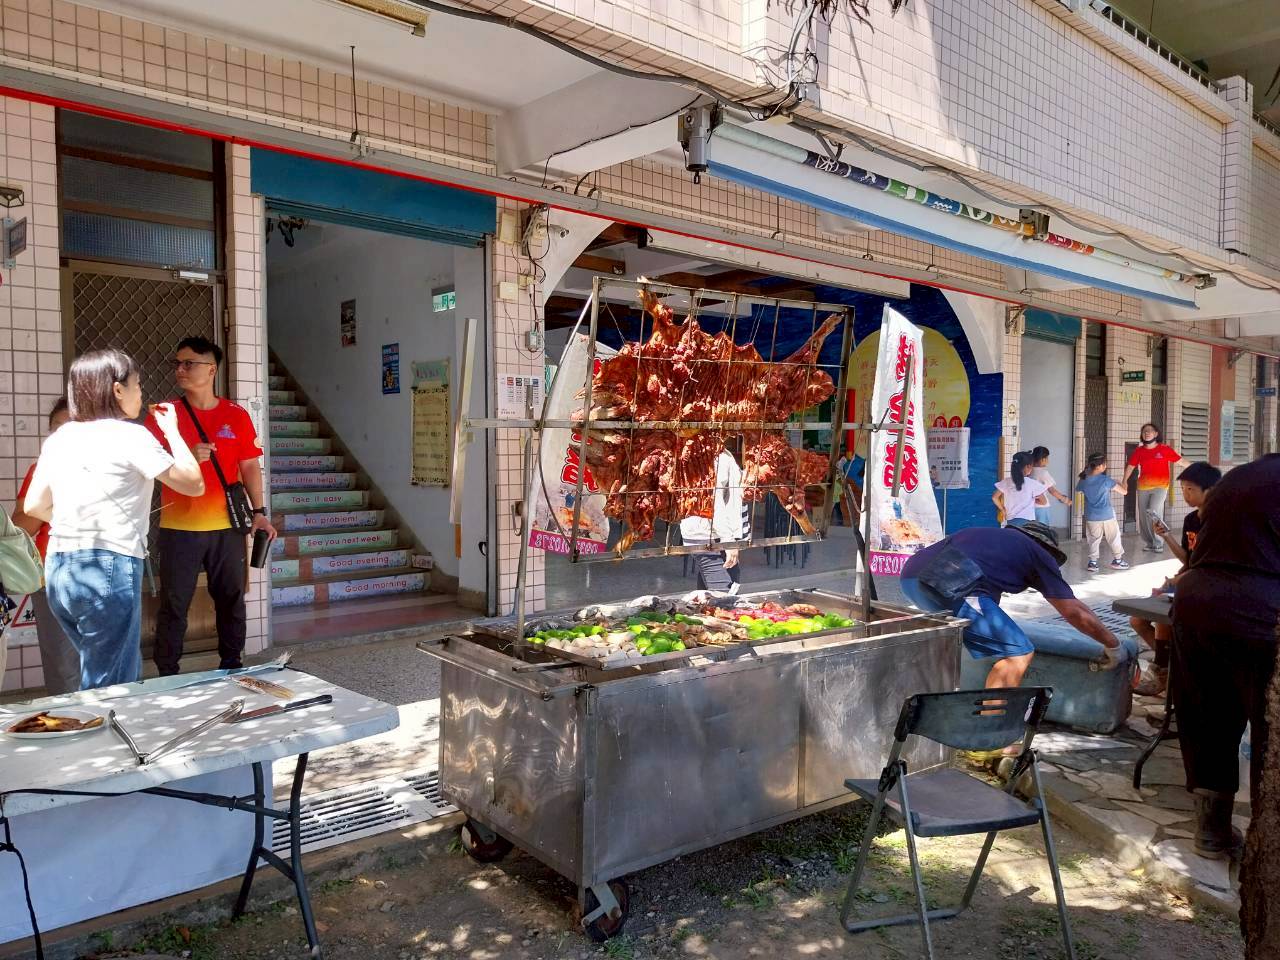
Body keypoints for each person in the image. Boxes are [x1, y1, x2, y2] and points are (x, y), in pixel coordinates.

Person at [22, 349, 204, 690]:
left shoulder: (62, 438)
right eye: (137, 384)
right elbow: (193, 483)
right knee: (112, 687)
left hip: (60, 567)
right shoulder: (131, 435)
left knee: (96, 672)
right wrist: (173, 431)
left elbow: (34, 505)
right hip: (108, 566)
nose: (141, 393)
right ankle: (106, 725)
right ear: (118, 390)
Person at [144, 336, 275, 675]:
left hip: (227, 528)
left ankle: (232, 667)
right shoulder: (164, 415)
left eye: (189, 363)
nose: (180, 369)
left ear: (212, 369)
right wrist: (184, 456)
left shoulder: (236, 415)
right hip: (178, 528)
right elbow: (147, 464)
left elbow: (250, 466)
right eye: (177, 363)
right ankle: (167, 674)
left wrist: (259, 513)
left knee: (231, 600)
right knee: (174, 604)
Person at [1171, 453, 1278, 867]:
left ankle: (1211, 830)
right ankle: (1267, 839)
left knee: (1206, 716)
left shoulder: (1241, 476)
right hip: (1262, 612)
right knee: (1270, 727)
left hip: (1197, 603)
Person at [901, 521, 1124, 689]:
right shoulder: (1039, 554)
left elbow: (988, 604)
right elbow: (1074, 611)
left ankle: (945, 699)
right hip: (948, 581)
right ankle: (991, 731)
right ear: (1047, 549)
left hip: (911, 578)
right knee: (1018, 653)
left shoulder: (994, 540)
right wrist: (1113, 645)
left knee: (958, 640)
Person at [1130, 461, 1221, 697]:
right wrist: (1167, 536)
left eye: (1190, 489)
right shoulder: (1191, 520)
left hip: (1206, 587)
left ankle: (1162, 671)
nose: (1185, 494)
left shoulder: (1221, 522)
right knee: (1137, 621)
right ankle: (1170, 665)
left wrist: (1180, 580)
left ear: (1210, 490)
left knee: (1166, 619)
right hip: (1187, 580)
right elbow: (1188, 559)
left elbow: (1211, 566)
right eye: (1182, 489)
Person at [10, 398, 80, 694]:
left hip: (102, 572)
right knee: (63, 668)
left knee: (106, 665)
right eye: (56, 429)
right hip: (52, 575)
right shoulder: (41, 470)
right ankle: (68, 719)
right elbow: (22, 526)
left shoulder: (111, 470)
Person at [681, 442, 745, 594]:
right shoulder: (712, 456)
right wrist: (728, 541)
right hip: (708, 535)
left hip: (713, 534)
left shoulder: (722, 453)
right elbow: (713, 500)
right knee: (725, 595)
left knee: (708, 595)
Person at [1121, 423, 1182, 553]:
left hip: (1161, 486)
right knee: (1144, 515)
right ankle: (1149, 542)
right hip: (1143, 487)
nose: (1147, 433)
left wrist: (1198, 468)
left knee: (1154, 511)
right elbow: (1131, 466)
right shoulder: (1139, 451)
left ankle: (1158, 542)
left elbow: (1180, 461)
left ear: (1156, 434)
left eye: (1150, 431)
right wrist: (1124, 481)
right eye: (1144, 431)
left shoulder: (1164, 449)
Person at [1074, 452, 1130, 572]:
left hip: (1091, 516)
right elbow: (1124, 492)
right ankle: (1118, 561)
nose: (1106, 466)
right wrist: (1122, 482)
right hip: (1107, 515)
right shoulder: (1105, 480)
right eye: (1105, 464)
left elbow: (1078, 489)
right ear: (1099, 466)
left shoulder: (1083, 479)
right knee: (1113, 537)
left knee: (1093, 539)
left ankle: (1093, 563)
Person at [992, 450, 1048, 527]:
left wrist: (1002, 509)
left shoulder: (1006, 482)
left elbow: (994, 497)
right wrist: (1032, 500)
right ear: (1028, 466)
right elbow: (1044, 502)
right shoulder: (1032, 483)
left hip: (1010, 521)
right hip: (1027, 522)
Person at [1029, 446, 1073, 525]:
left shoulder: (1028, 471)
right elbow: (1052, 491)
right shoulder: (1043, 473)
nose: (1048, 461)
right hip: (1042, 508)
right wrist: (1066, 500)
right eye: (1047, 458)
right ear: (1043, 459)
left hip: (1030, 507)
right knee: (1042, 530)